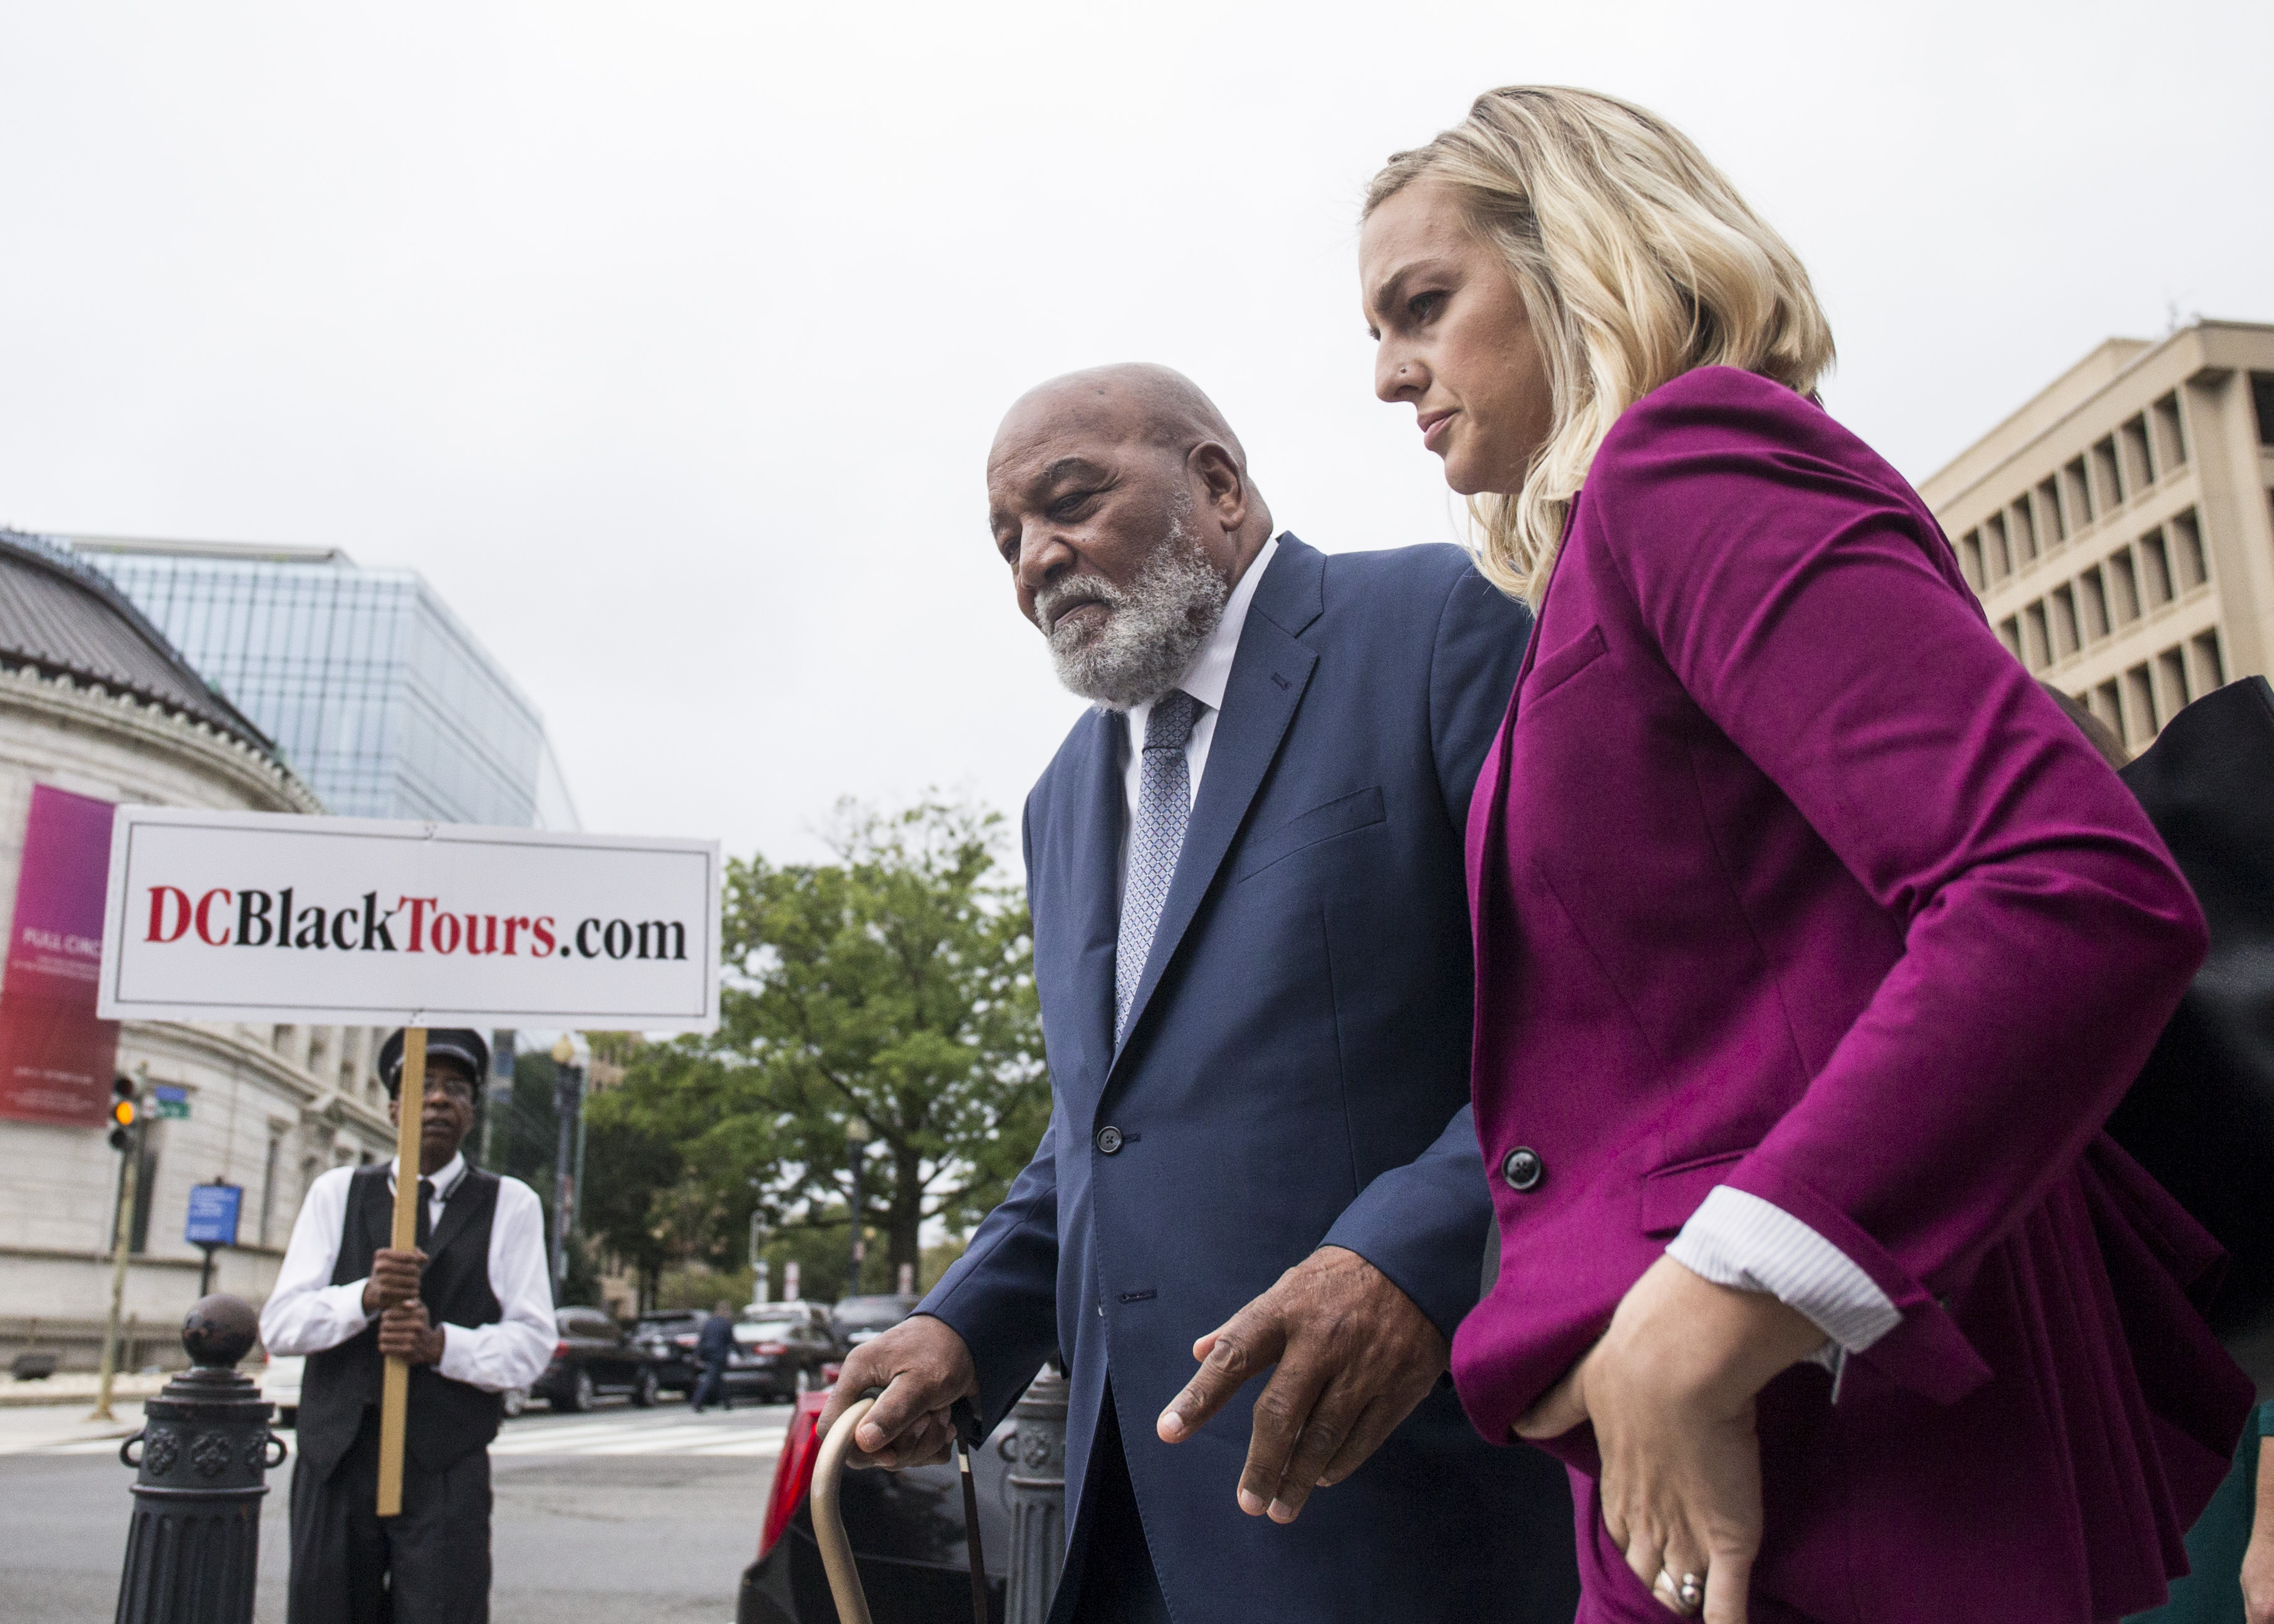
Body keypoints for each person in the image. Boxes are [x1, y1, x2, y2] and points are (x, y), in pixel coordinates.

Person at [1358, 85, 2255, 1623]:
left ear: (1577, 257)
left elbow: (2061, 882)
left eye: (1422, 305)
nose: (1389, 375)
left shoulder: (1686, 458)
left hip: (1834, 1458)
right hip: (1725, 1475)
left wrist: (1725, 1291)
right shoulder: (1587, 574)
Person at [820, 364, 1580, 1621]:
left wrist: (1406, 1259)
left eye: (1068, 502)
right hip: (1122, 1532)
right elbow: (1105, 1128)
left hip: (1394, 1503)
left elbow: (1582, 1010)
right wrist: (964, 1325)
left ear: (1216, 485)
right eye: (1007, 540)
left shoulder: (1433, 621)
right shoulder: (1061, 797)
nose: (1035, 559)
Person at [261, 1029, 553, 1624]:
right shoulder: (337, 1192)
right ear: (393, 1108)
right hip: (337, 1460)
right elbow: (281, 1324)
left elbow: (531, 1344)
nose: (438, 1100)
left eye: (455, 1090)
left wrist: (441, 1345)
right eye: (422, 1087)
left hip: (444, 1464)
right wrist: (364, 1299)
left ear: (473, 1111)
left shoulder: (511, 1204)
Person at [689, 1300, 736, 1413]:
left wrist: (697, 1354)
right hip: (718, 1355)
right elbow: (732, 1342)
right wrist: (741, 1355)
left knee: (718, 1379)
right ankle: (697, 1402)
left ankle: (727, 1402)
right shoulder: (727, 1324)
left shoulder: (709, 1323)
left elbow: (702, 1340)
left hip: (707, 1354)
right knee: (710, 1379)